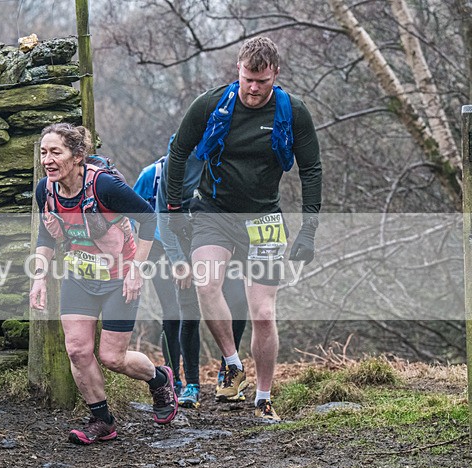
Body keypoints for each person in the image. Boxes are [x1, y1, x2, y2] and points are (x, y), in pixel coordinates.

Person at [165, 37, 322, 422]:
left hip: (264, 218)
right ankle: (233, 364)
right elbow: (178, 153)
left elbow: (311, 169)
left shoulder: (293, 111)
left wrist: (309, 229)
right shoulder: (210, 105)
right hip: (213, 212)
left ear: (275, 75)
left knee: (263, 313)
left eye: (262, 82)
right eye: (247, 79)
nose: (253, 88)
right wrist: (174, 210)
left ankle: (263, 398)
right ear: (238, 70)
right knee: (206, 283)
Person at [29, 123, 178, 445]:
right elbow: (46, 235)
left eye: (56, 152)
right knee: (77, 350)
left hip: (119, 279)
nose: (47, 160)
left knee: (113, 358)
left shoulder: (104, 186)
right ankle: (102, 420)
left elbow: (148, 218)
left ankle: (158, 378)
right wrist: (39, 277)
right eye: (43, 153)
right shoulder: (46, 190)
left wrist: (137, 269)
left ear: (77, 156)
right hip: (79, 277)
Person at [138, 139, 249, 408]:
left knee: (237, 303)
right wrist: (178, 261)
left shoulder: (222, 160)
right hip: (181, 245)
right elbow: (161, 216)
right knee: (186, 314)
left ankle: (229, 373)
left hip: (224, 243)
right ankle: (190, 385)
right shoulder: (163, 170)